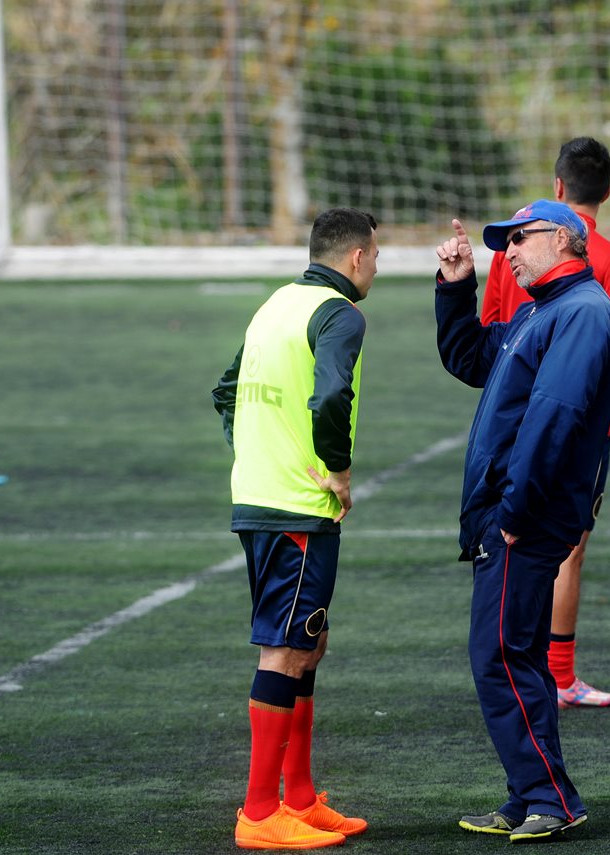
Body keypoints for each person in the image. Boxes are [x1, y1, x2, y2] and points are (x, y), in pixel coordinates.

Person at [434, 200, 610, 843]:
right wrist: (458, 286)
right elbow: (468, 359)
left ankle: (550, 797)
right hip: (517, 511)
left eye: (519, 239)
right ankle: (531, 794)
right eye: (502, 243)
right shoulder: (542, 311)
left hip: (526, 517)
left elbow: (556, 416)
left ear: (565, 241)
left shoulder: (579, 313)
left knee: (498, 657)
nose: (506, 253)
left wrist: (514, 511)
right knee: (516, 657)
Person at [212, 207, 377, 851]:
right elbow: (333, 393)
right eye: (376, 257)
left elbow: (226, 390)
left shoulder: (275, 304)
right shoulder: (340, 314)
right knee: (284, 649)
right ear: (359, 257)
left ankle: (301, 799)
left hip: (261, 498)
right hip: (297, 509)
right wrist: (334, 468)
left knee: (308, 642)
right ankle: (259, 814)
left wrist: (257, 453)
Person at [480, 137, 610, 709]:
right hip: (579, 435)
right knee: (566, 548)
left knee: (504, 543)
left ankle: (516, 665)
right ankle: (558, 675)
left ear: (557, 188)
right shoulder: (609, 259)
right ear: (609, 191)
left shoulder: (510, 252)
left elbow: (490, 333)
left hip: (505, 424)